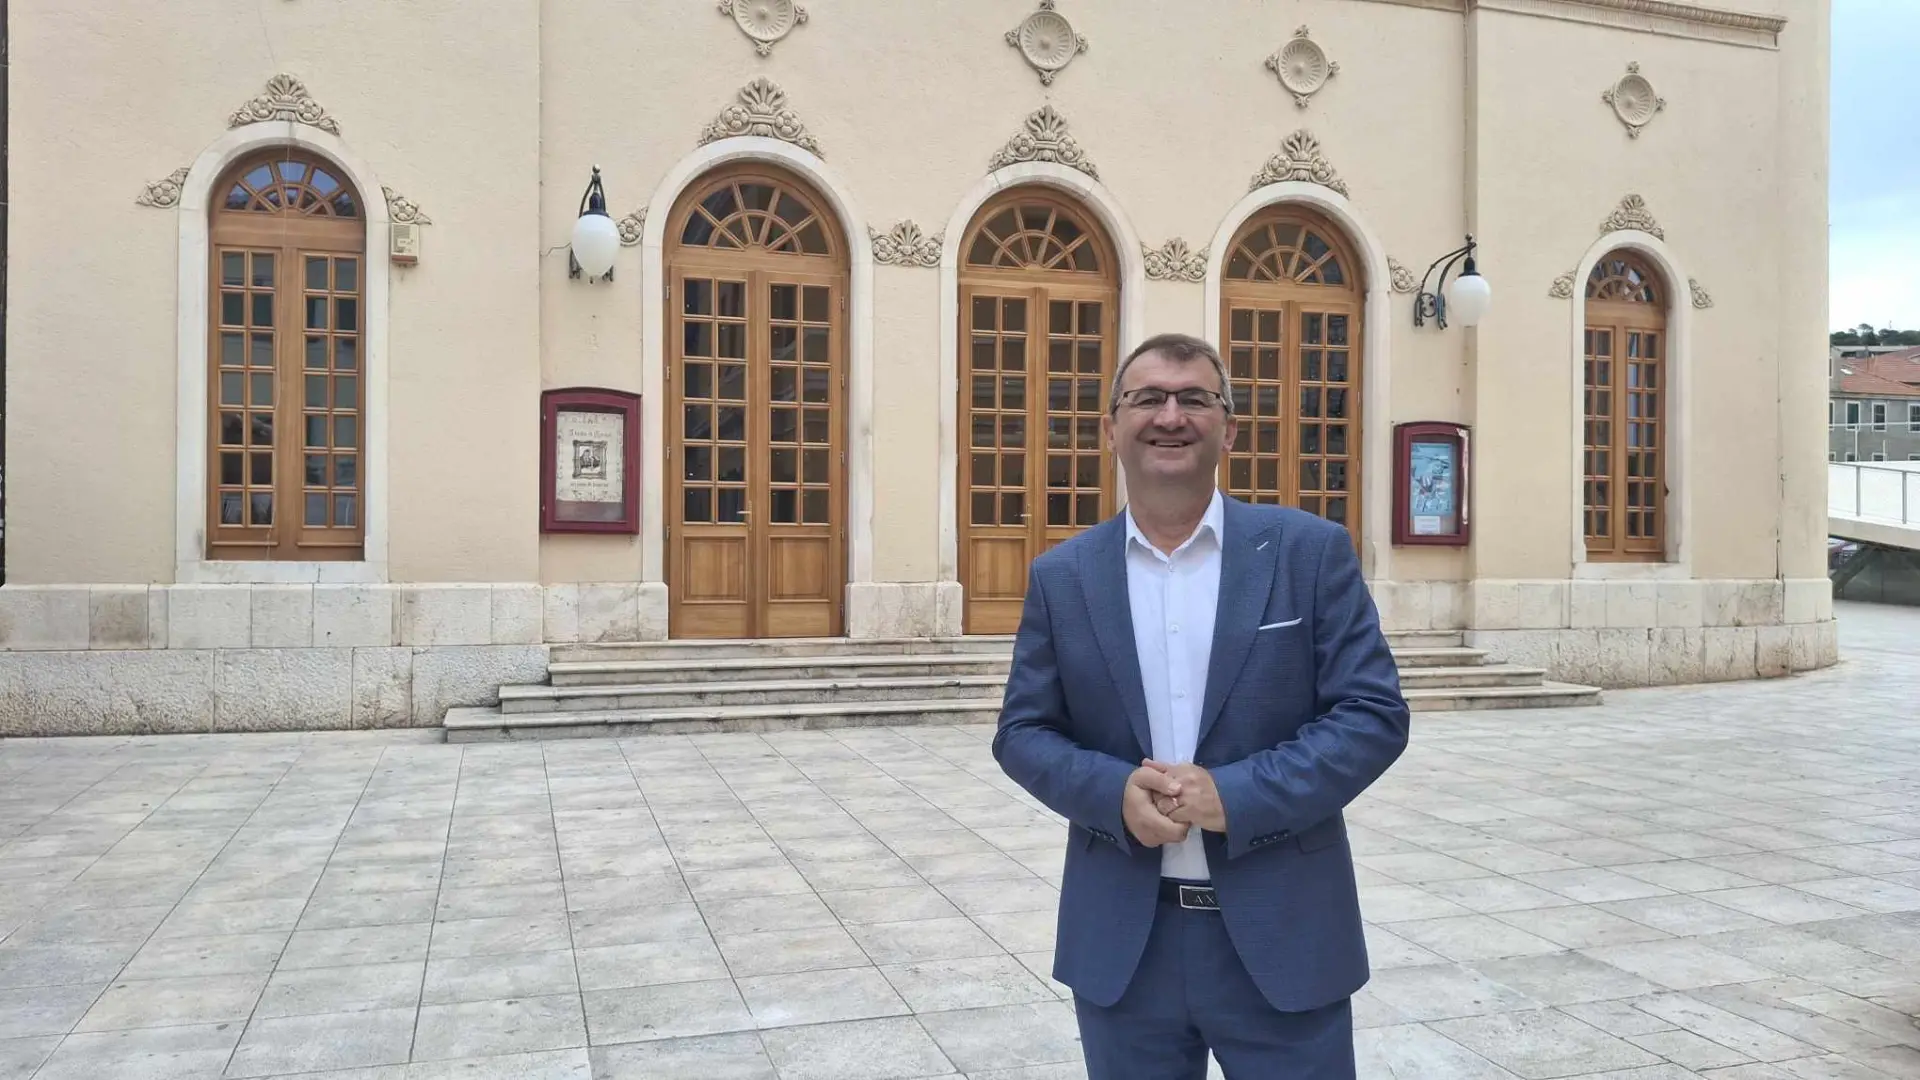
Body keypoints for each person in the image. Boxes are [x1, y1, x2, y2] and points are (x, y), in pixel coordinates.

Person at [992, 332, 1410, 1079]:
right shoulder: (1064, 576)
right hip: (1126, 948)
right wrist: (1112, 793)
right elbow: (1023, 731)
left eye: (1194, 398)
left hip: (1285, 937)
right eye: (1147, 398)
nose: (1170, 416)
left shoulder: (1308, 552)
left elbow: (1372, 713)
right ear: (1111, 429)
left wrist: (1238, 795)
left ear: (1230, 428)